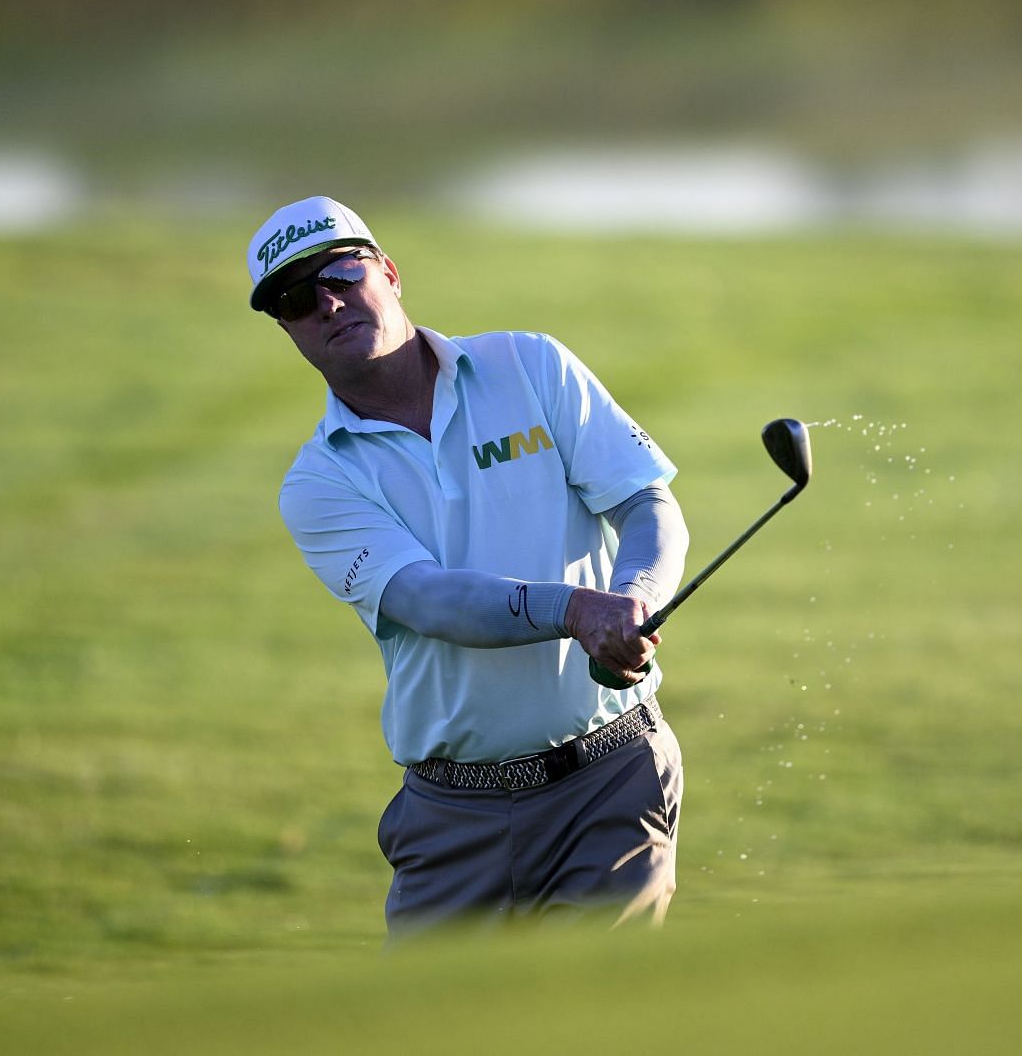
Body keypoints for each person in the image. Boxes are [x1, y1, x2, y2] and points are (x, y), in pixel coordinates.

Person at [248, 196, 691, 938]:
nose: (327, 302)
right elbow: (430, 601)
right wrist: (578, 610)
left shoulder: (530, 364)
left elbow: (647, 503)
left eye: (341, 274)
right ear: (288, 328)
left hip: (611, 778)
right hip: (453, 815)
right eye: (297, 298)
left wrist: (635, 597)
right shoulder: (319, 482)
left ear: (387, 272)